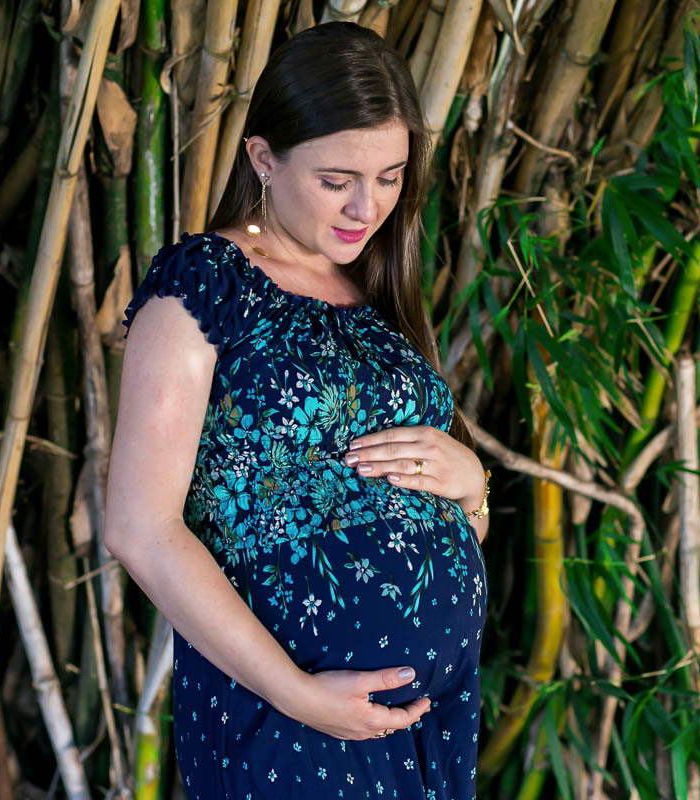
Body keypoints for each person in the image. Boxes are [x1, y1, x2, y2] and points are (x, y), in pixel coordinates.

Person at [103, 21, 492, 799]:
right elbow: (139, 528)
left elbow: (423, 513)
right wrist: (299, 694)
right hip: (288, 711)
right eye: (337, 179)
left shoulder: (373, 289)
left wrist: (472, 486)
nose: (367, 206)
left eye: (390, 177)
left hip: (425, 715)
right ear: (263, 159)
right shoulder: (209, 281)